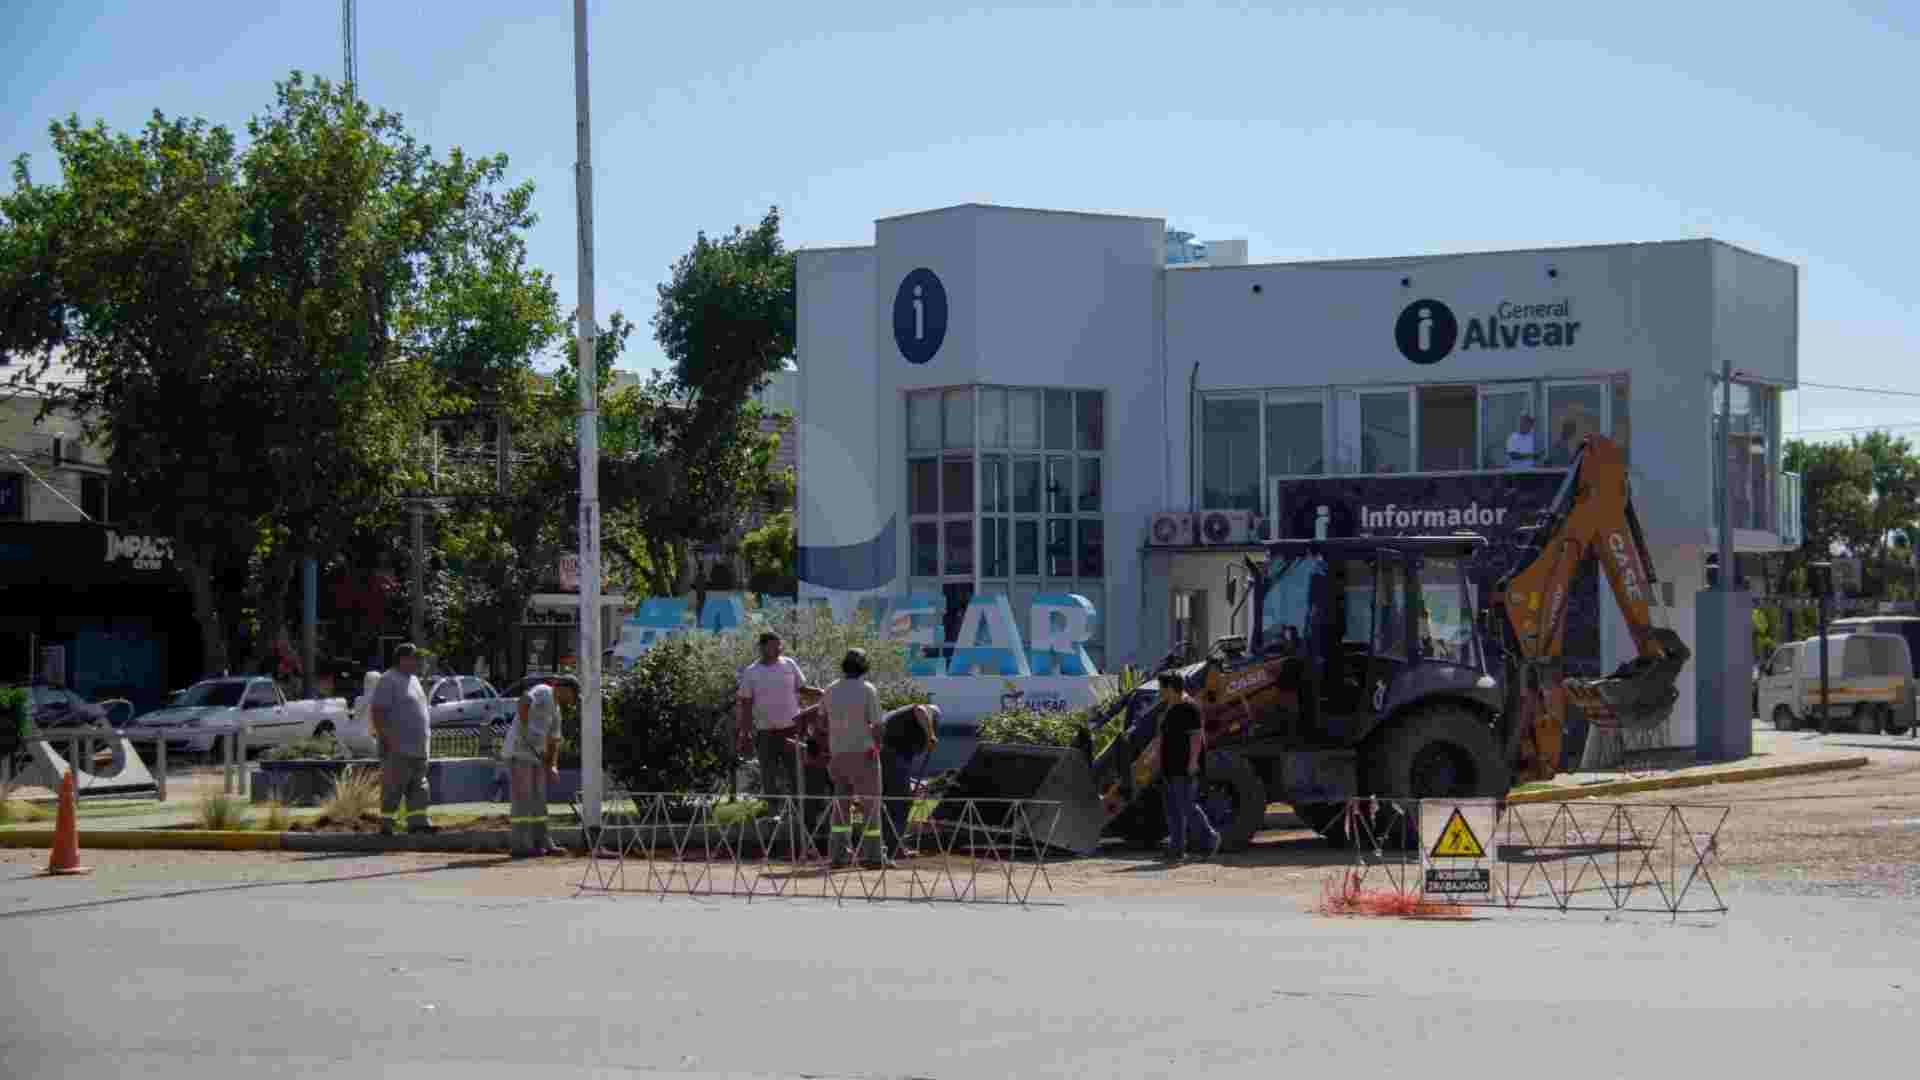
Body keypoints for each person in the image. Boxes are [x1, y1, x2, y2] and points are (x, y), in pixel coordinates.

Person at [822, 649, 886, 868]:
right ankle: (873, 856)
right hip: (864, 754)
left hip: (838, 754)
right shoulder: (867, 690)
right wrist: (877, 746)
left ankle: (839, 855)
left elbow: (822, 722)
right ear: (864, 666)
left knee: (841, 807)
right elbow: (877, 725)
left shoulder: (830, 690)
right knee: (871, 806)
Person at [735, 631, 812, 806]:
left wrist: (824, 695)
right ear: (762, 648)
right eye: (773, 646)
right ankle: (773, 812)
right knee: (768, 775)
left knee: (796, 774)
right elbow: (746, 705)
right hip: (766, 733)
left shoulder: (789, 664)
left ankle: (798, 812)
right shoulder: (751, 672)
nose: (778, 649)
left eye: (779, 645)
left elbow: (803, 690)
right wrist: (745, 734)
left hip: (792, 730)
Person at [369, 643, 434, 836]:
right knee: (393, 788)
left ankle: (418, 823)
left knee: (419, 788)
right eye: (415, 658)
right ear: (403, 659)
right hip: (397, 749)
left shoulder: (413, 679)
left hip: (419, 749)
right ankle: (388, 826)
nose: (419, 662)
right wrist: (385, 739)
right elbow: (377, 712)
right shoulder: (388, 679)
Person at [505, 677, 575, 858]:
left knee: (539, 801)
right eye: (572, 694)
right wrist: (525, 729)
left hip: (536, 757)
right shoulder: (544, 691)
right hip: (519, 752)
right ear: (563, 688)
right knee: (523, 800)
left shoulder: (557, 710)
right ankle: (521, 845)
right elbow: (524, 701)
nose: (572, 699)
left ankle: (542, 841)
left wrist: (553, 765)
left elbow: (554, 740)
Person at [1158, 671, 1219, 862]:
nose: (1160, 692)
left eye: (1161, 688)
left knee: (1187, 806)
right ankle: (1177, 849)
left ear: (1170, 688)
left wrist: (1193, 762)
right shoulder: (1171, 706)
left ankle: (1209, 838)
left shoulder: (1189, 707)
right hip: (1170, 766)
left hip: (1183, 767)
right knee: (1173, 809)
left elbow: (1196, 737)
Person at [880, 702, 940, 860]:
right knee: (901, 803)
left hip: (888, 758)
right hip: (892, 757)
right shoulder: (922, 712)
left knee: (888, 803)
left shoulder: (902, 721)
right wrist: (930, 734)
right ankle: (894, 848)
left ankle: (887, 846)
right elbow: (920, 710)